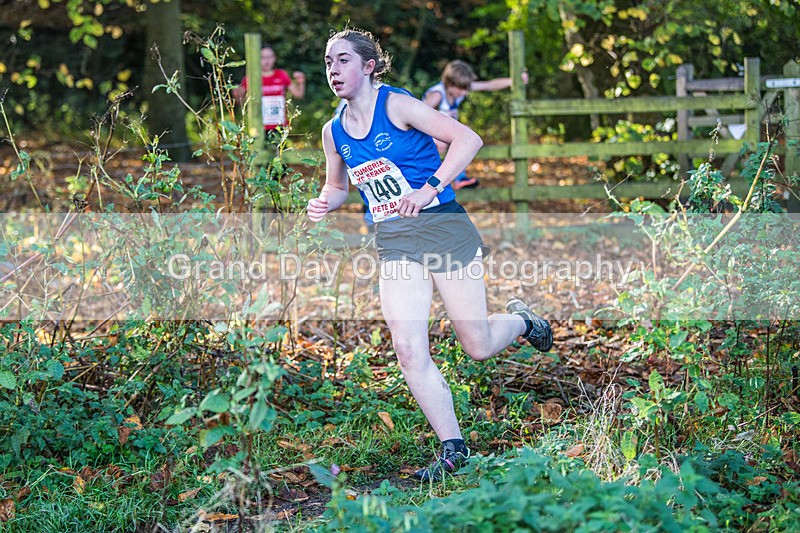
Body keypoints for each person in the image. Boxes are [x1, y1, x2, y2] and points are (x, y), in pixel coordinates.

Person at [307, 28, 553, 482]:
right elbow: (338, 185)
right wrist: (325, 201)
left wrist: (429, 188)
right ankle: (453, 449)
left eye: (343, 61)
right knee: (407, 348)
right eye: (328, 62)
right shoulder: (333, 130)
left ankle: (524, 321)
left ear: (369, 66)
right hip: (395, 240)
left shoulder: (396, 104)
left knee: (476, 346)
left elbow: (468, 140)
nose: (334, 70)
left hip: (443, 227)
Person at [423, 60, 528, 189]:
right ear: (449, 83)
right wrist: (433, 136)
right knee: (446, 141)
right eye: (461, 89)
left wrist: (514, 81)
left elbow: (489, 85)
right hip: (429, 135)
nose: (463, 93)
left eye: (466, 89)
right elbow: (417, 116)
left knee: (466, 134)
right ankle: (434, 181)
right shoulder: (437, 95)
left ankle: (459, 178)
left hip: (446, 134)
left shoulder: (460, 87)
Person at [233, 46, 306, 137]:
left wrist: (301, 83)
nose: (267, 61)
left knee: (277, 150)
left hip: (279, 125)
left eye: (269, 57)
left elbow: (298, 95)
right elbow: (240, 102)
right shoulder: (251, 77)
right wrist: (236, 94)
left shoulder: (282, 75)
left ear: (274, 58)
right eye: (263, 57)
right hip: (258, 125)